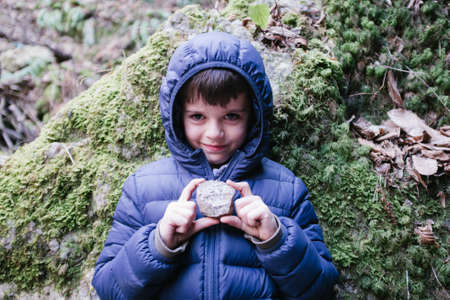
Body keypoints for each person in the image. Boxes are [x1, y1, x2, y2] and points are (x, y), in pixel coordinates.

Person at [92, 31, 338, 299]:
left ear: (254, 116)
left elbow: (320, 290)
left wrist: (275, 239)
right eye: (197, 116)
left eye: (231, 116)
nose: (214, 133)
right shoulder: (143, 188)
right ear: (177, 116)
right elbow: (108, 288)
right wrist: (159, 244)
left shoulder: (287, 190)